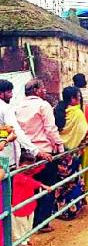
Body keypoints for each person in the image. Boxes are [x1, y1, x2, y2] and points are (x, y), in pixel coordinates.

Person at [16, 79, 64, 233]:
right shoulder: (43, 106)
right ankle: (42, 223)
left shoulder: (18, 106)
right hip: (44, 153)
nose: (45, 91)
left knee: (29, 188)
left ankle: (28, 223)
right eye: (43, 88)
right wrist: (60, 146)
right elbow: (50, 129)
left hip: (25, 155)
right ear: (36, 90)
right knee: (47, 187)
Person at [0, 80, 52, 168]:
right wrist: (36, 151)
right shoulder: (5, 109)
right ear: (1, 93)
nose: (11, 95)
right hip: (6, 159)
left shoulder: (17, 106)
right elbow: (16, 131)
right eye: (9, 92)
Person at [12, 152, 52, 246]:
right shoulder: (18, 175)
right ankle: (21, 243)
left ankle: (27, 238)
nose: (29, 168)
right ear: (20, 164)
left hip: (29, 202)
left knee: (29, 224)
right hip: (19, 204)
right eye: (27, 165)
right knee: (20, 225)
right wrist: (42, 185)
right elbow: (30, 182)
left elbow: (37, 169)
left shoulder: (29, 172)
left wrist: (43, 162)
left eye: (31, 166)